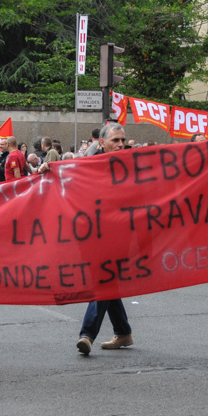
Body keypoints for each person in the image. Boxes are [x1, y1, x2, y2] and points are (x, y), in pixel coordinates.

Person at [76, 124, 134, 356]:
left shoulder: (133, 163)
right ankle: (123, 332)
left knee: (104, 278)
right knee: (108, 281)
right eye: (115, 141)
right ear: (102, 143)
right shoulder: (89, 164)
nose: (121, 144)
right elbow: (67, 174)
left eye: (123, 140)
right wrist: (48, 167)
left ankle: (87, 334)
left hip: (120, 233)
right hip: (93, 233)